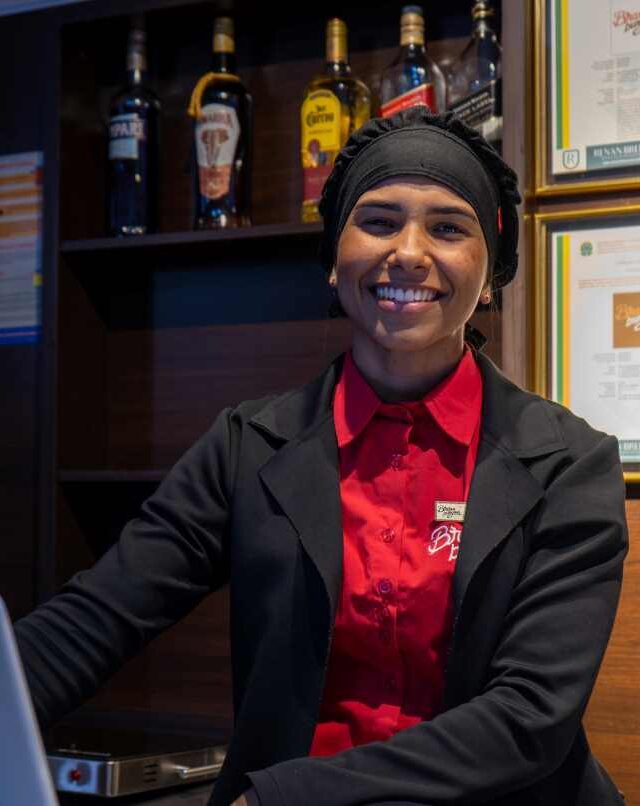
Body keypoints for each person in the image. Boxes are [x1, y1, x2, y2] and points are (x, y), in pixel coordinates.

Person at [13, 107, 628, 806]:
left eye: (449, 228)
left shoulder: (569, 465)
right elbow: (96, 619)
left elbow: (529, 718)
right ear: (335, 261)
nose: (410, 252)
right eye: (379, 221)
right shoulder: (248, 445)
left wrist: (282, 798)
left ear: (490, 275)